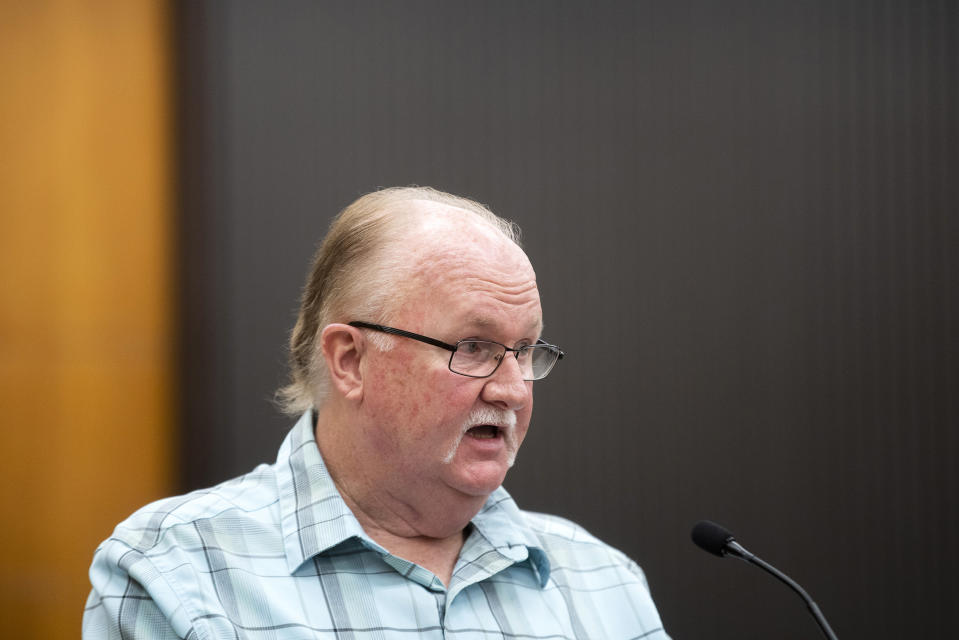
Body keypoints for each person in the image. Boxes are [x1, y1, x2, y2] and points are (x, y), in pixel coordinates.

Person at [83, 187, 669, 639]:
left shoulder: (601, 579)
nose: (512, 389)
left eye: (526, 351)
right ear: (350, 360)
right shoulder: (177, 568)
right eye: (474, 348)